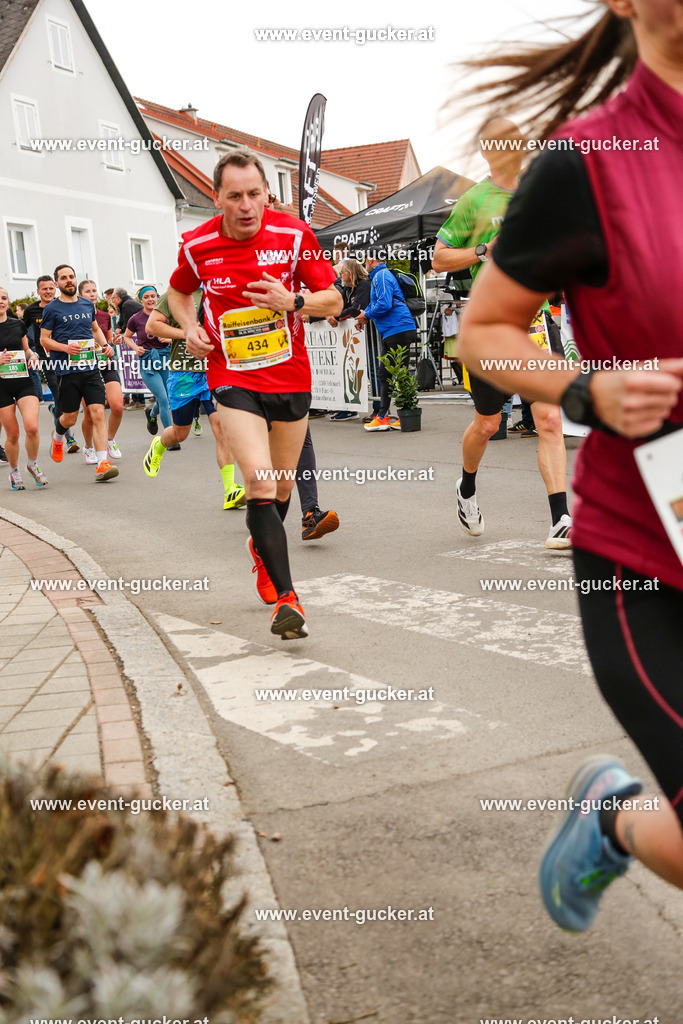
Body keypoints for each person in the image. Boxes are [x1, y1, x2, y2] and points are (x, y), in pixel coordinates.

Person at [457, 0, 683, 932]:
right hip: (645, 555)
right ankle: (615, 820)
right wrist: (586, 388)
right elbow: (483, 331)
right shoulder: (587, 164)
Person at [167, 150, 342, 639]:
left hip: (290, 377)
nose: (246, 206)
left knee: (283, 489)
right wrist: (189, 327)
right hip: (232, 375)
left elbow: (335, 297)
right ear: (217, 197)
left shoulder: (294, 235)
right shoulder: (197, 243)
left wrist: (296, 301)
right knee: (261, 484)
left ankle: (261, 550)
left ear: (268, 193)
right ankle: (288, 601)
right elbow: (178, 292)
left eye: (254, 194)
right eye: (234, 196)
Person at [433, 118, 572, 549]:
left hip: (533, 322)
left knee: (549, 418)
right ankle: (467, 488)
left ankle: (560, 518)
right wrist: (481, 250)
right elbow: (438, 258)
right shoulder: (474, 200)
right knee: (488, 423)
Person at [143, 288, 246, 509]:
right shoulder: (176, 293)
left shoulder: (218, 290)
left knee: (222, 426)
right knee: (180, 433)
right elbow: (152, 326)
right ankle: (159, 445)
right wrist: (187, 332)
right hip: (183, 372)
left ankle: (230, 490)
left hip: (215, 371)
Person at [40, 264, 118, 481]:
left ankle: (102, 463)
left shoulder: (86, 304)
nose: (69, 280)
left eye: (71, 276)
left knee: (98, 412)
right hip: (66, 370)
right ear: (57, 284)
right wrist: (65, 348)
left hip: (90, 367)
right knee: (70, 417)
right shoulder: (51, 309)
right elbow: (44, 339)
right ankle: (58, 437)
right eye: (64, 278)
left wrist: (104, 345)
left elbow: (94, 329)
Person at [356, 250, 417, 431]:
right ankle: (403, 413)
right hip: (397, 328)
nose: (364, 263)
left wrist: (366, 314)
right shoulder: (381, 275)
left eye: (365, 259)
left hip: (396, 328)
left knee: (387, 374)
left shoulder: (381, 275)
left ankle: (384, 416)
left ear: (371, 259)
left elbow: (384, 303)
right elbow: (382, 303)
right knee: (395, 373)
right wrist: (367, 316)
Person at [23, 276, 79, 452]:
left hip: (67, 357)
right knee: (57, 391)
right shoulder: (31, 311)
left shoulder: (62, 306)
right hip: (47, 359)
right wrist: (29, 352)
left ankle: (56, 411)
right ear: (38, 291)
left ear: (55, 288)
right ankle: (69, 438)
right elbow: (21, 332)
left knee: (66, 395)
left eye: (50, 288)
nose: (48, 292)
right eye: (44, 289)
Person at [0, 287, 48, 489]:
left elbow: (26, 349)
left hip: (23, 380)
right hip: (1, 386)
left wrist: (33, 356)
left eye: (3, 298)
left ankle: (32, 465)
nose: (1, 301)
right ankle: (14, 471)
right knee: (12, 434)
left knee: (32, 426)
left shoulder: (17, 324)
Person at [78, 280, 123, 463]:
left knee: (118, 406)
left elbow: (109, 339)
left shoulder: (104, 316)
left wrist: (114, 342)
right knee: (89, 413)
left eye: (94, 290)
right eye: (87, 291)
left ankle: (109, 439)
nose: (92, 294)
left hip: (106, 363)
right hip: (86, 367)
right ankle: (88, 447)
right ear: (80, 295)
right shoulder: (76, 316)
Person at [122, 286, 174, 437]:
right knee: (163, 398)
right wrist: (135, 347)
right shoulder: (136, 318)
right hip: (147, 362)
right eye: (146, 297)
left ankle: (151, 413)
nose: (150, 299)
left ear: (157, 297)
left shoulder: (166, 316)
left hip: (165, 360)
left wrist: (169, 339)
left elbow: (179, 336)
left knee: (167, 397)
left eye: (153, 296)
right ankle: (169, 437)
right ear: (141, 299)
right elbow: (126, 337)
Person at [329, 258, 372, 421]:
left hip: (369, 334)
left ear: (351, 273)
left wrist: (336, 317)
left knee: (373, 372)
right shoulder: (348, 289)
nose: (340, 275)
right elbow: (342, 307)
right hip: (354, 336)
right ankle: (349, 408)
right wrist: (332, 315)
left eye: (342, 272)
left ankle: (379, 410)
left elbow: (355, 309)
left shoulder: (364, 286)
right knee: (348, 369)